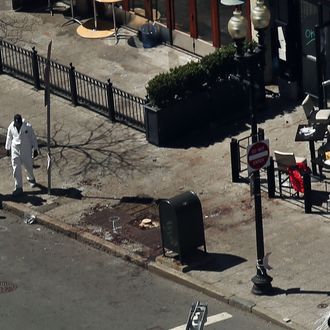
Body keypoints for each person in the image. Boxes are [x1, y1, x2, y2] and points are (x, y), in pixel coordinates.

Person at [5, 114, 39, 196]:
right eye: (17, 123)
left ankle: (31, 179)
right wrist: (7, 148)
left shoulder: (28, 127)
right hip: (15, 149)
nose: (18, 124)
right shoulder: (11, 126)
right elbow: (9, 137)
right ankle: (18, 187)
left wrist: (35, 149)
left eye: (19, 123)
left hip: (26, 149)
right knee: (16, 168)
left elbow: (33, 138)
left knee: (28, 166)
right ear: (14, 122)